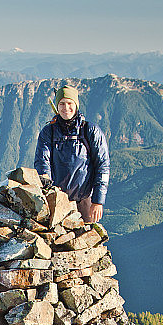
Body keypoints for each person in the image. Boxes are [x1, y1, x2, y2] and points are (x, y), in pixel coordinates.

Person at [34, 85, 110, 224]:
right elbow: (42, 161)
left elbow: (102, 166)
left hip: (84, 199)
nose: (66, 108)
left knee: (86, 242)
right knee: (56, 243)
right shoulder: (48, 132)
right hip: (56, 199)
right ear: (57, 106)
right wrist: (46, 183)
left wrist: (98, 201)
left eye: (70, 103)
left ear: (76, 105)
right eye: (61, 104)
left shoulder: (90, 131)